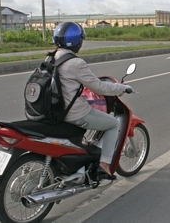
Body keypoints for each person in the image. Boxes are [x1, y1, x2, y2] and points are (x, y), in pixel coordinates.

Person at [52, 21, 133, 179]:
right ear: (78, 42)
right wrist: (121, 88)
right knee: (113, 123)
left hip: (56, 111)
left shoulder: (52, 59)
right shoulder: (76, 63)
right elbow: (99, 87)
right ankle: (104, 164)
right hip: (74, 114)